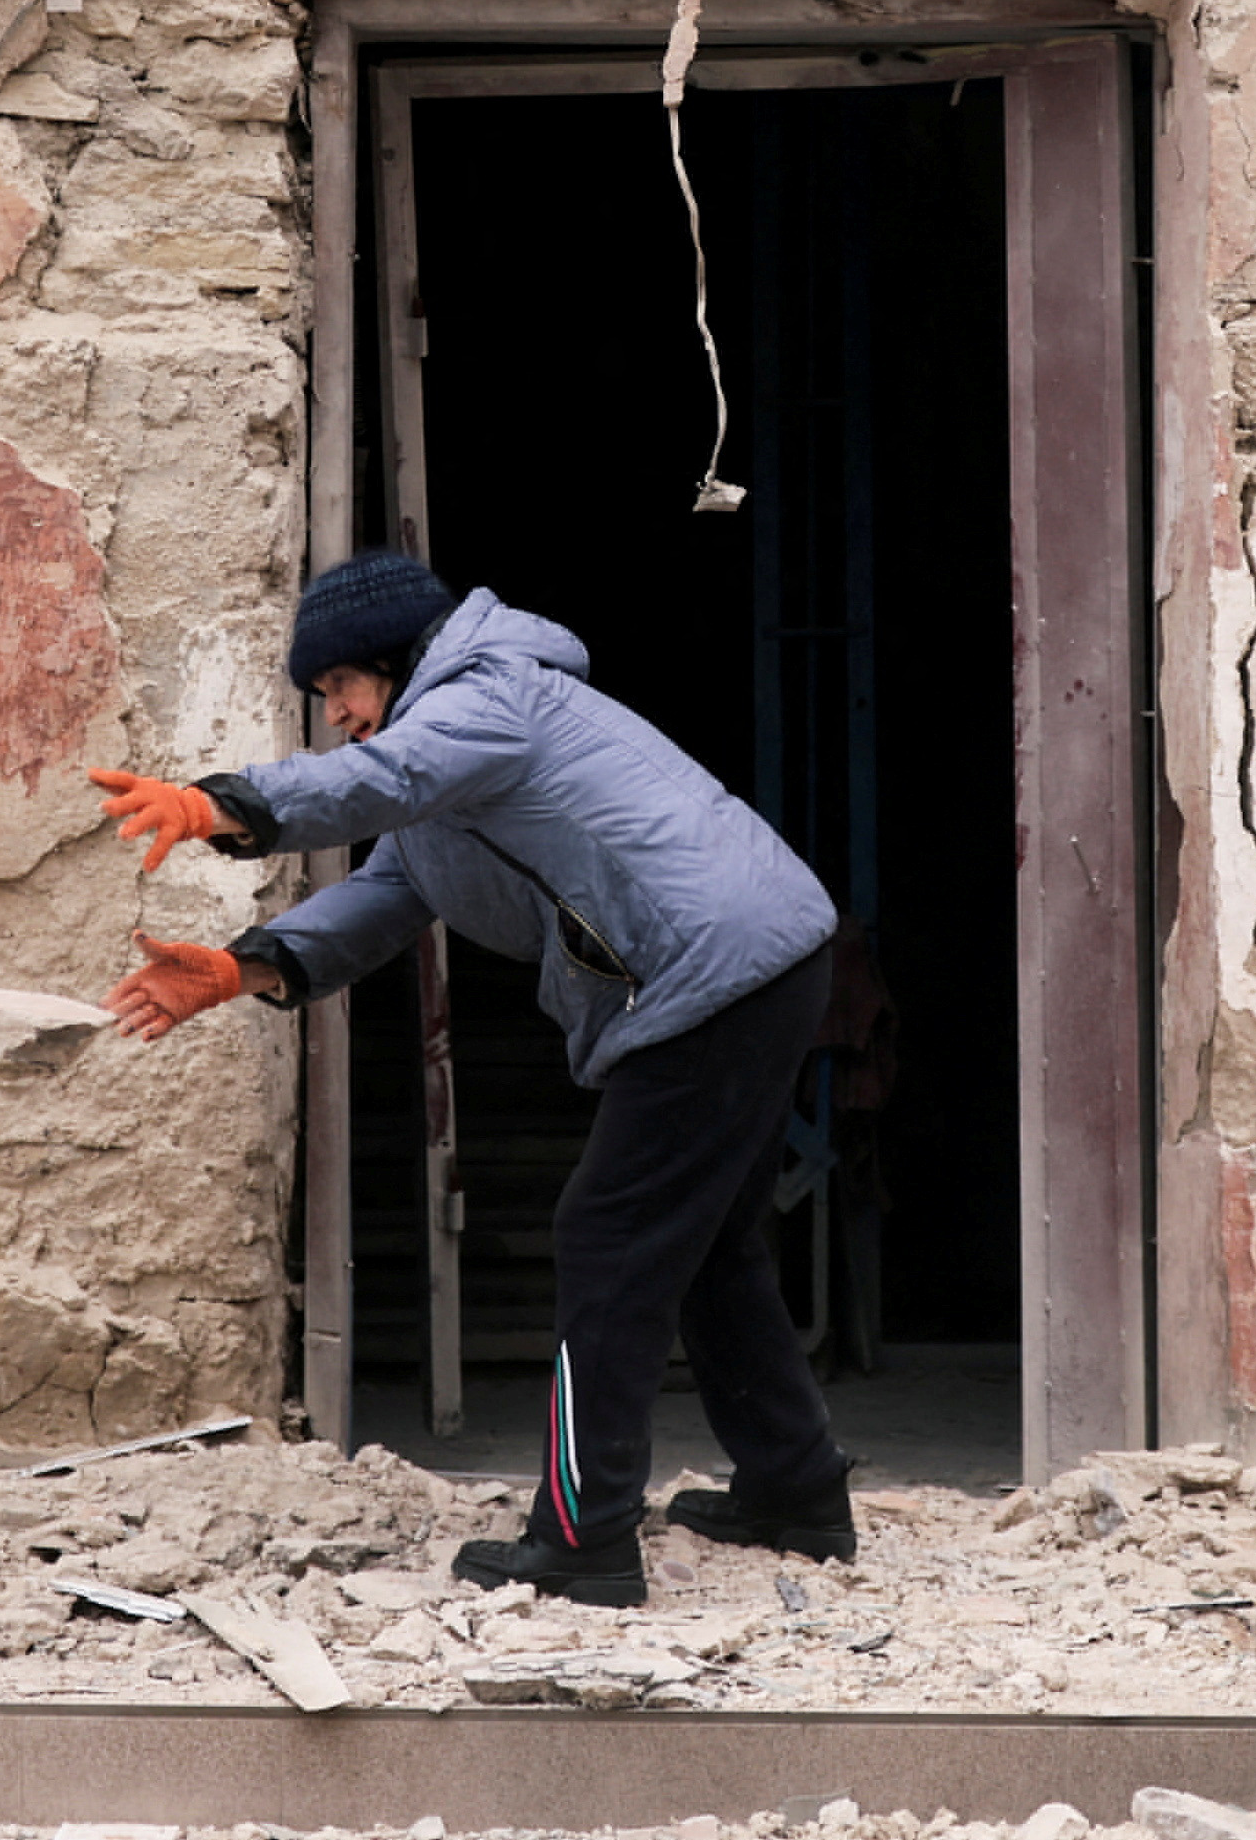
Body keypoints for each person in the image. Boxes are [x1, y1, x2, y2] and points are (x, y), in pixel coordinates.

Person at [84, 549, 856, 1606]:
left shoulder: (489, 695)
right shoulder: (449, 759)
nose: (336, 714)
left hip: (718, 970)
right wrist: (237, 969)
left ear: (397, 659)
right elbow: (387, 891)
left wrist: (220, 804)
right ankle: (795, 1492)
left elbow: (380, 782)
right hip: (757, 961)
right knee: (708, 1240)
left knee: (609, 1235)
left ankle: (585, 1538)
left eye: (341, 686)